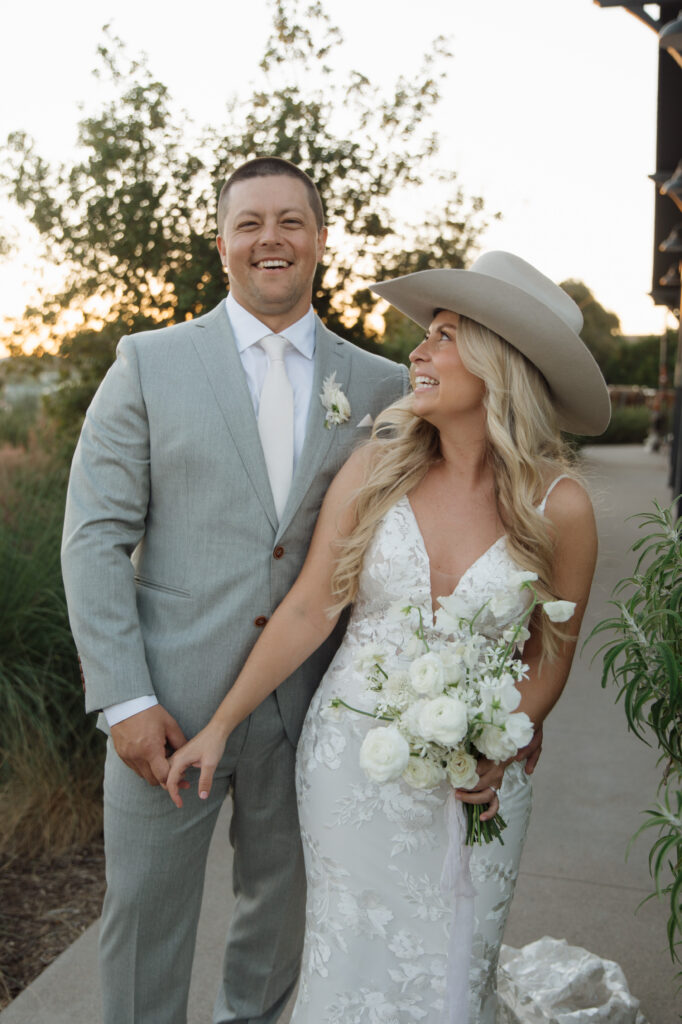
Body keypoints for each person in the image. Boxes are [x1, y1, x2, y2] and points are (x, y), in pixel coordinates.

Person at [166, 251, 611, 1023]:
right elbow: (309, 609)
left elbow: (552, 650)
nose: (418, 351)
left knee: (454, 969)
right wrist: (221, 723)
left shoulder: (561, 505)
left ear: (498, 361)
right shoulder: (378, 465)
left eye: (443, 335)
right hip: (353, 769)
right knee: (351, 964)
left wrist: (508, 740)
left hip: (481, 786)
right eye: (426, 335)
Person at [61, 156, 409, 1024]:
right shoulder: (147, 363)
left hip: (313, 712)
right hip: (165, 710)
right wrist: (125, 699)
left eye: (291, 221)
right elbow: (94, 537)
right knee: (145, 922)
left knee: (281, 922)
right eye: (250, 222)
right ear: (221, 243)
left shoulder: (381, 387)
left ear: (322, 240)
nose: (271, 239)